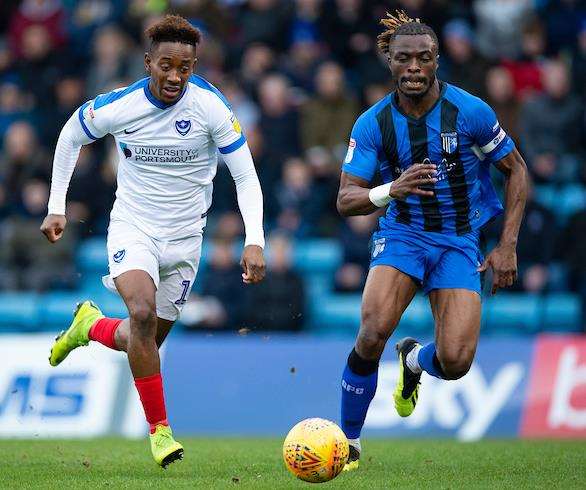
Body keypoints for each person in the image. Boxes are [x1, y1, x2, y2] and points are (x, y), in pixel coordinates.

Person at [40, 15, 266, 468]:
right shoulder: (120, 106)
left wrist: (254, 239)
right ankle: (161, 432)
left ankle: (89, 326)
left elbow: (246, 175)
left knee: (140, 338)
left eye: (185, 67)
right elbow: (70, 136)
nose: (175, 76)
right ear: (148, 63)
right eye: (166, 65)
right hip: (133, 228)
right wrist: (56, 205)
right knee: (140, 313)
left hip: (186, 240)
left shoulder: (211, 108)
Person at [336, 11, 528, 471]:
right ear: (389, 61)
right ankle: (349, 441)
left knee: (457, 360)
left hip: (459, 240)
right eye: (404, 59)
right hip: (403, 235)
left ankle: (415, 362)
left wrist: (507, 246)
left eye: (424, 58)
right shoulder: (372, 124)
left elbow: (516, 169)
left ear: (437, 60)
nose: (415, 67)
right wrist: (390, 190)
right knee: (372, 330)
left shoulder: (471, 112)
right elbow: (346, 200)